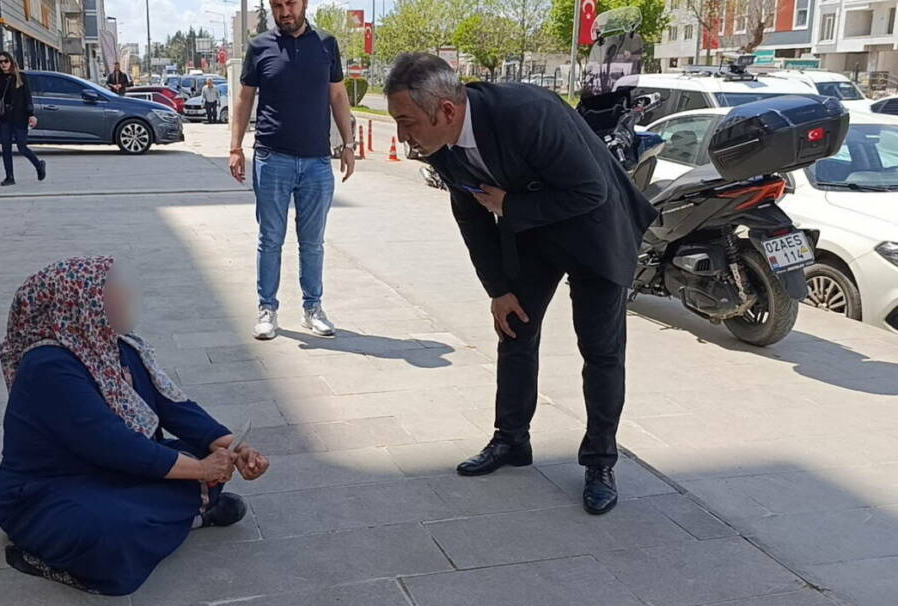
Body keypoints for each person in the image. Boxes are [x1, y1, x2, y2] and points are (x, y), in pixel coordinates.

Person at [384, 53, 659, 516]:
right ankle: (511, 440)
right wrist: (497, 288)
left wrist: (511, 205)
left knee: (600, 350)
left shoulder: (528, 113)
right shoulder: (443, 148)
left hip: (595, 232)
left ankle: (599, 462)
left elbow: (590, 190)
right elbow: (471, 215)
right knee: (514, 329)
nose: (402, 136)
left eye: (407, 122)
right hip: (532, 237)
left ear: (446, 111)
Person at [0, 256, 270, 595]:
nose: (129, 293)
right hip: (49, 491)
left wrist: (233, 448)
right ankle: (188, 516)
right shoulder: (48, 366)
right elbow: (113, 443)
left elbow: (175, 408)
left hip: (112, 471)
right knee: (110, 534)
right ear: (83, 304)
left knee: (199, 457)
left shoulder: (117, 346)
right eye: (116, 288)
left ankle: (182, 517)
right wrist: (200, 469)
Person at [230, 0, 356, 341]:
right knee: (270, 238)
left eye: (291, 4)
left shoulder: (326, 45)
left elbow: (338, 96)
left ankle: (313, 308)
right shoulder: (259, 47)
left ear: (304, 4)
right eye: (278, 5)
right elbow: (244, 99)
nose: (285, 12)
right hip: (272, 159)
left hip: (316, 162)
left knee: (312, 242)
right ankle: (267, 309)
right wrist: (235, 147)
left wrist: (348, 143)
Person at [0, 52, 45, 187]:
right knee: (6, 148)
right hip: (4, 118)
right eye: (0, 62)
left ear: (11, 61)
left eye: (6, 61)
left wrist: (31, 114)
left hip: (20, 116)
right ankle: (9, 177)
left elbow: (27, 97)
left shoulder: (20, 77)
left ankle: (39, 165)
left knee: (22, 146)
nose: (3, 64)